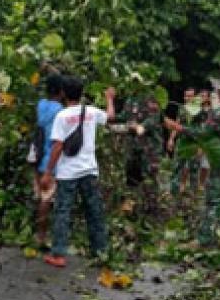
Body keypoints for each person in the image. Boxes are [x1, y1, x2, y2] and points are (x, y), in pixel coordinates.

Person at [164, 76, 220, 246]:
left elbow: (203, 133)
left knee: (214, 200)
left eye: (219, 90)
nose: (217, 94)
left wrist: (178, 128)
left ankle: (205, 239)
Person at [41, 79, 116, 267]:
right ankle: (100, 251)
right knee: (94, 210)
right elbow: (110, 117)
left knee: (63, 212)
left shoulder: (62, 116)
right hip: (89, 169)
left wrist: (48, 172)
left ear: (64, 94)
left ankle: (58, 254)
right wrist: (109, 98)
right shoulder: (90, 111)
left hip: (68, 173)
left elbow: (58, 146)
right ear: (82, 93)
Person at [115, 93, 164, 215]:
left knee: (149, 178)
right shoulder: (130, 99)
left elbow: (152, 120)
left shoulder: (151, 98)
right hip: (133, 147)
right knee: (131, 178)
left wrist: (138, 126)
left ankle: (151, 210)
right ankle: (132, 208)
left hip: (149, 149)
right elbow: (123, 117)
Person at [32, 73, 65, 248]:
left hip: (37, 157)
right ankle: (42, 236)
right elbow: (57, 142)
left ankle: (40, 234)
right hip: (49, 160)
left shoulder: (41, 105)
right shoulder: (60, 111)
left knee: (40, 197)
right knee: (47, 199)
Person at [168, 88, 199, 200]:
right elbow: (177, 124)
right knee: (176, 168)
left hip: (194, 143)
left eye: (190, 96)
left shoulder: (199, 111)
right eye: (186, 96)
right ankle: (173, 194)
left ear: (195, 97)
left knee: (194, 171)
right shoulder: (182, 109)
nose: (187, 98)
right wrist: (171, 139)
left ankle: (194, 196)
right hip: (182, 143)